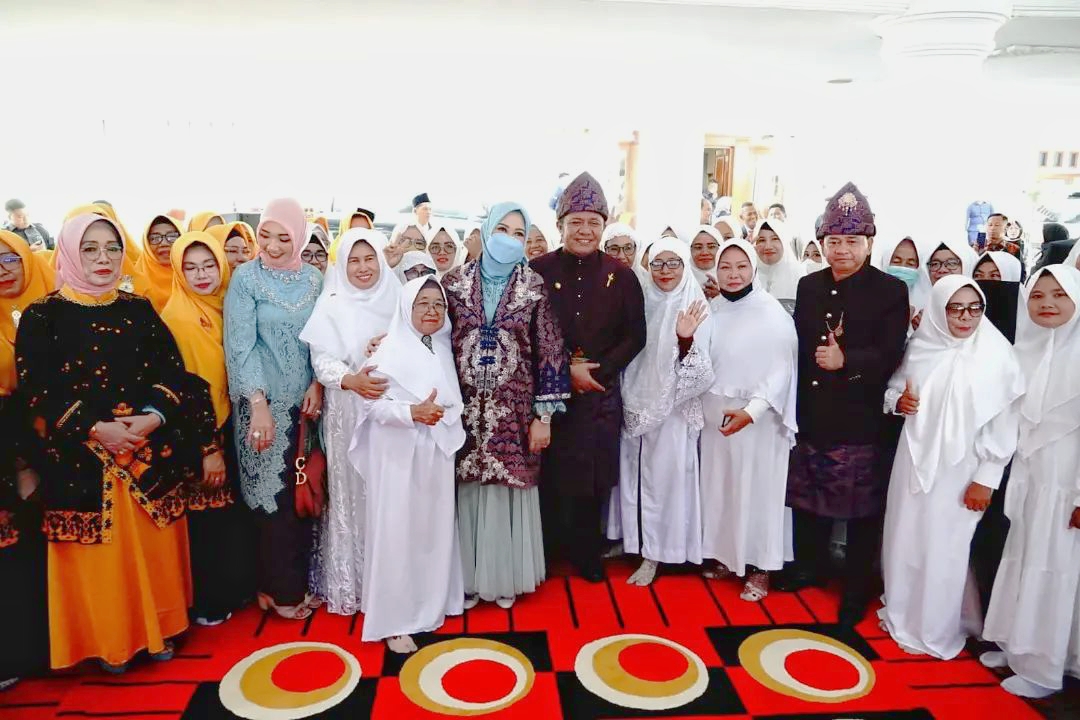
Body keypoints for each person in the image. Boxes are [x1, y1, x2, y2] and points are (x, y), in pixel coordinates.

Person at [16, 213, 200, 672]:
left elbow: (172, 371)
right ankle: (111, 641)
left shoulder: (138, 309)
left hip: (146, 449)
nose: (104, 258)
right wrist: (98, 429)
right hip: (81, 461)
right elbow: (37, 388)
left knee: (151, 549)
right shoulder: (43, 315)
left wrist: (153, 418)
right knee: (102, 560)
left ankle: (159, 629)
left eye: (112, 248)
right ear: (69, 252)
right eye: (90, 248)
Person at [777, 182, 909, 627]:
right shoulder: (809, 285)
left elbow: (891, 352)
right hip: (812, 411)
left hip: (859, 416)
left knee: (860, 510)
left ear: (870, 243)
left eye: (852, 241)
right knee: (808, 497)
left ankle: (856, 588)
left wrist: (846, 361)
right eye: (834, 241)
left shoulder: (889, 290)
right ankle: (809, 567)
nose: (842, 250)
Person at [879, 275, 1023, 659]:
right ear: (938, 311)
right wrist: (898, 402)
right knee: (906, 536)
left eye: (974, 308)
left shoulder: (998, 355)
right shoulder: (921, 346)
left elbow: (1004, 423)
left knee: (947, 546)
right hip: (913, 459)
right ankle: (904, 612)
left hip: (962, 469)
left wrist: (987, 478)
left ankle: (936, 627)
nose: (965, 317)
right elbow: (893, 388)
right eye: (955, 308)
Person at [442, 202, 570, 609]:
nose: (510, 239)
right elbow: (433, 335)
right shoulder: (453, 283)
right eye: (502, 229)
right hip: (461, 409)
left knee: (506, 491)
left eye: (519, 233)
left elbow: (550, 350)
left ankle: (504, 578)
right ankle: (465, 579)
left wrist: (543, 416)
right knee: (466, 490)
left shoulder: (533, 286)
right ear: (485, 230)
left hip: (514, 411)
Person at [531, 172, 647, 582]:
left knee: (592, 476)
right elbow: (525, 331)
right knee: (549, 473)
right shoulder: (537, 270)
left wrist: (599, 372)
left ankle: (586, 552)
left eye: (593, 222)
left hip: (599, 392)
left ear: (604, 226)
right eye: (575, 222)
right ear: (560, 225)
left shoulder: (622, 274)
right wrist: (565, 372)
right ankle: (545, 553)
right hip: (548, 395)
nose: (584, 230)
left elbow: (636, 335)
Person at [347, 277, 465, 653]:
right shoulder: (386, 351)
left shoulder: (441, 348)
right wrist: (412, 413)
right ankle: (394, 621)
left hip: (435, 453)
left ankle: (432, 604)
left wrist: (438, 414)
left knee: (431, 530)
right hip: (398, 455)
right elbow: (371, 406)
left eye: (438, 304)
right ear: (406, 307)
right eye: (423, 303)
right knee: (397, 533)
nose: (432, 311)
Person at [982, 265, 1080, 699]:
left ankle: (1043, 668)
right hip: (1030, 478)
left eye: (1059, 295)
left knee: (1054, 566)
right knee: (1023, 555)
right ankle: (1016, 644)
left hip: (1067, 483)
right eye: (1038, 295)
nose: (1047, 304)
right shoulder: (1023, 351)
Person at [224, 197, 324, 621]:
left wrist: (318, 383)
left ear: (299, 237)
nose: (273, 246)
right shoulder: (246, 279)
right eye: (265, 235)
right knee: (271, 500)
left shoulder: (315, 280)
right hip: (261, 406)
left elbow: (323, 338)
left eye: (284, 238)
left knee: (303, 493)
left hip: (306, 406)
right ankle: (277, 590)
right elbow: (240, 346)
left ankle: (291, 583)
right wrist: (258, 404)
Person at [301, 228, 399, 616]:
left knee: (386, 491)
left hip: (392, 410)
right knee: (351, 490)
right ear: (341, 265)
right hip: (347, 409)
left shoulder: (397, 297)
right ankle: (352, 581)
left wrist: (389, 348)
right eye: (353, 260)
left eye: (369, 258)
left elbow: (420, 341)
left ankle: (390, 580)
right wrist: (349, 379)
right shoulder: (332, 303)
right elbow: (321, 358)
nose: (362, 267)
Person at [161, 231, 255, 627]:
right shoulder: (179, 317)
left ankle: (234, 590)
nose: (202, 275)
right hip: (201, 430)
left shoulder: (225, 305)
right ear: (178, 272)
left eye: (208, 265)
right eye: (191, 268)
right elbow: (187, 387)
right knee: (207, 520)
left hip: (230, 420)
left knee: (228, 515)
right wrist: (207, 447)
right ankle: (210, 601)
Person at [701, 239, 798, 602]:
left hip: (759, 421)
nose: (733, 274)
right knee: (723, 489)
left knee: (759, 492)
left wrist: (752, 411)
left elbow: (782, 370)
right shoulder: (713, 309)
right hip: (717, 418)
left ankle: (761, 567)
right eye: (725, 266)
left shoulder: (772, 313)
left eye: (741, 266)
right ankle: (727, 556)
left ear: (754, 268)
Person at [618, 237, 712, 586]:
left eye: (674, 263)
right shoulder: (643, 301)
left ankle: (658, 552)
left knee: (665, 482)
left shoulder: (695, 305)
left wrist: (685, 340)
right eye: (658, 263)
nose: (665, 271)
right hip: (635, 401)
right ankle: (633, 541)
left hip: (673, 407)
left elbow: (704, 374)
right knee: (633, 476)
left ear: (685, 266)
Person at [0, 230, 53, 687]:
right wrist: (19, 463)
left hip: (59, 436)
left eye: (10, 258)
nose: (2, 269)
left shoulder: (56, 307)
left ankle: (55, 641)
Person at [751, 219, 803, 313]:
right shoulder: (748, 277)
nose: (768, 246)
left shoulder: (800, 276)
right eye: (761, 240)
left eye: (775, 239)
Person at [878, 236, 929, 332]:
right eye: (896, 262)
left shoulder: (928, 303)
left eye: (910, 264)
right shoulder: (869, 296)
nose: (902, 268)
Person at [136, 215, 185, 314]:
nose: (164, 243)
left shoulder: (197, 274)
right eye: (155, 238)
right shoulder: (133, 283)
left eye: (172, 236)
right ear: (146, 243)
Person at [689, 226, 722, 299]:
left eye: (711, 247)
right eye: (698, 247)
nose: (705, 253)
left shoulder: (732, 277)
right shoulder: (680, 280)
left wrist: (721, 297)